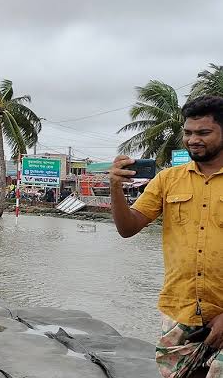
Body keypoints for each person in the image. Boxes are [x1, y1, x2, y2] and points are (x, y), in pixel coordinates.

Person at [108, 96, 223, 377]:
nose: (193, 139)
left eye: (203, 132)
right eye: (188, 132)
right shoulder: (167, 180)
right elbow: (128, 228)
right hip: (179, 310)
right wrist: (115, 188)